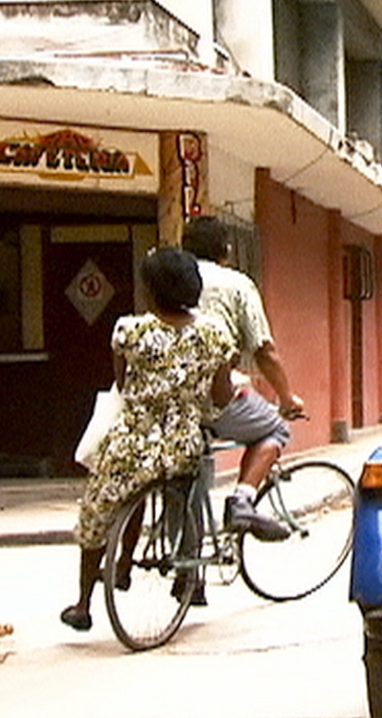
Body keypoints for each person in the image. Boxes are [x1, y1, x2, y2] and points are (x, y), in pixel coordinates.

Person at [61, 247, 236, 631]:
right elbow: (222, 396)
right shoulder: (215, 334)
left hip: (133, 444)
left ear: (151, 290)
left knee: (97, 512)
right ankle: (177, 572)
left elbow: (123, 385)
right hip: (182, 445)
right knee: (181, 494)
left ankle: (83, 604)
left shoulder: (130, 330)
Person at [181, 216, 305, 542]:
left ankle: (186, 562)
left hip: (171, 397)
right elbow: (263, 350)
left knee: (184, 472)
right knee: (275, 428)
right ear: (225, 250)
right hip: (215, 396)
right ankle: (242, 501)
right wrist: (287, 397)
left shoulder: (172, 279)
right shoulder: (236, 284)